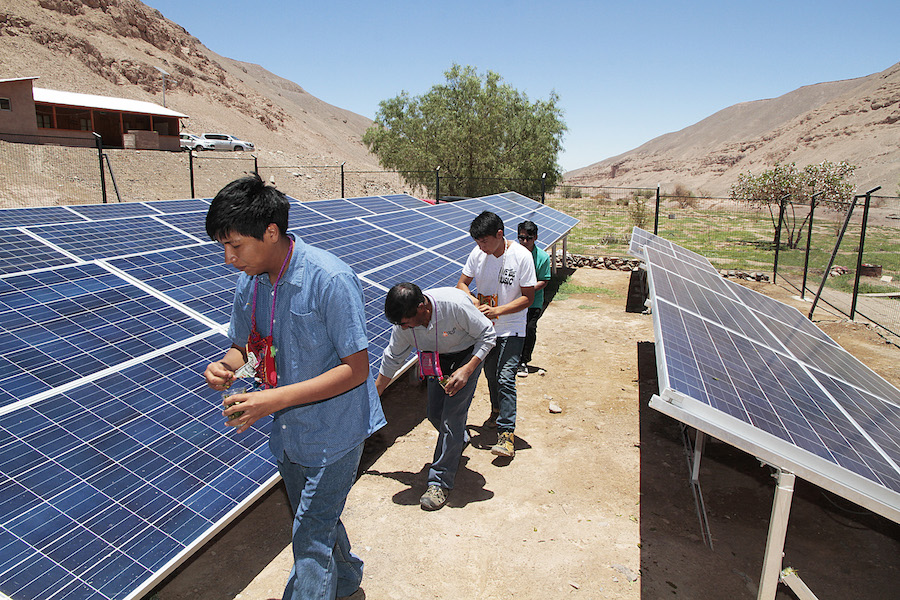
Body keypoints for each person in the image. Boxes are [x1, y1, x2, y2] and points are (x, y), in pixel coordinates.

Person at [202, 174, 386, 600]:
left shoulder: (330, 279)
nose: (229, 259)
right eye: (224, 248)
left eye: (235, 246)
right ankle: (348, 578)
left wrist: (271, 399)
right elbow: (244, 345)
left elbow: (357, 369)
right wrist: (226, 366)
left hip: (335, 431)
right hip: (288, 434)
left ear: (271, 232)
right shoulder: (250, 283)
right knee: (316, 518)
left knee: (309, 535)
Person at [375, 282, 496, 510]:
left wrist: (467, 369)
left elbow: (488, 334)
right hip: (436, 361)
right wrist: (376, 392)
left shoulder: (455, 305)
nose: (403, 328)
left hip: (466, 357)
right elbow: (392, 358)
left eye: (406, 323)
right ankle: (458, 439)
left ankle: (439, 482)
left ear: (422, 308)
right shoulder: (404, 324)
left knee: (452, 418)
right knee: (435, 414)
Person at [456, 211, 535, 458]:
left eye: (485, 241)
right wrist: (471, 300)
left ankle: (506, 435)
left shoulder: (521, 256)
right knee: (490, 375)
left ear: (500, 235)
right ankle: (497, 410)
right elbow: (462, 283)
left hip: (512, 327)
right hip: (485, 329)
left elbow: (528, 297)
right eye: (478, 242)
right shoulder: (478, 254)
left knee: (504, 377)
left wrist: (498, 310)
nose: (481, 247)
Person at [516, 220, 552, 377]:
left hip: (533, 302)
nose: (524, 241)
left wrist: (527, 290)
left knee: (529, 329)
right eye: (521, 238)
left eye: (528, 238)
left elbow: (544, 280)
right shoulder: (511, 254)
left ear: (535, 237)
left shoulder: (542, 257)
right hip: (514, 300)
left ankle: (524, 360)